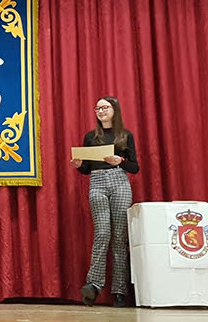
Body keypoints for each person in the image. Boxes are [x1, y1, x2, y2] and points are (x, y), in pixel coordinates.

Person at [70, 96, 139, 307]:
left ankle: (119, 291)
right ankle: (94, 285)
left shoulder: (125, 135)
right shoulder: (91, 136)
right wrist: (79, 165)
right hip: (97, 182)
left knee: (119, 236)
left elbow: (135, 167)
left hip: (120, 182)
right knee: (102, 233)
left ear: (114, 110)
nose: (101, 111)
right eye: (98, 108)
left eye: (105, 107)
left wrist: (121, 161)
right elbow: (87, 169)